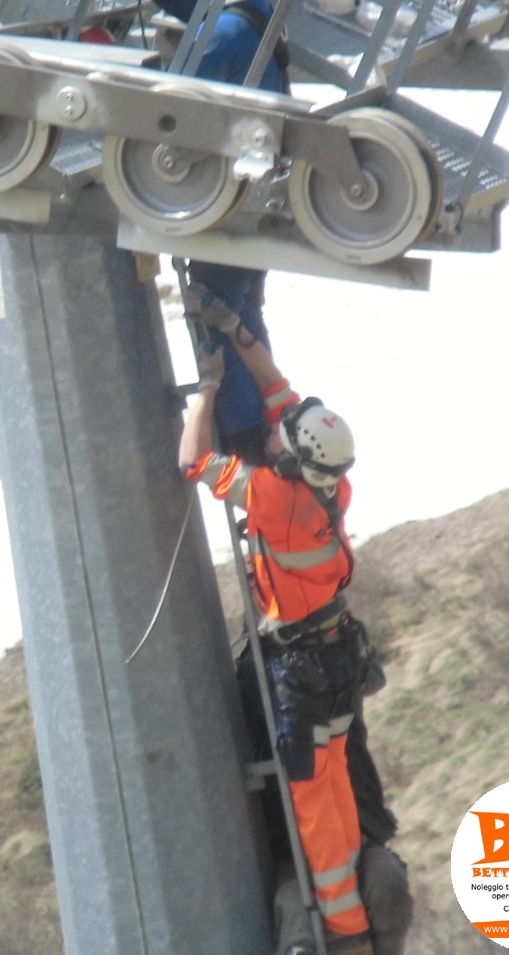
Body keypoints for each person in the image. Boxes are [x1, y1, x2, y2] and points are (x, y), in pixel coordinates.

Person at [179, 283, 377, 953]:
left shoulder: (272, 496)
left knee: (311, 802)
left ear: (292, 456)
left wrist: (206, 392)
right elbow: (280, 390)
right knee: (336, 781)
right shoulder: (329, 484)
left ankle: (345, 928)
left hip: (303, 669)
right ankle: (353, 891)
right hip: (337, 657)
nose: (274, 427)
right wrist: (237, 331)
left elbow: (192, 462)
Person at [145, 0, 291, 463]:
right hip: (253, 191)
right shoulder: (250, 13)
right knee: (238, 311)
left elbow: (175, 100)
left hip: (234, 196)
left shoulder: (228, 33)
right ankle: (259, 431)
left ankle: (250, 440)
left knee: (220, 312)